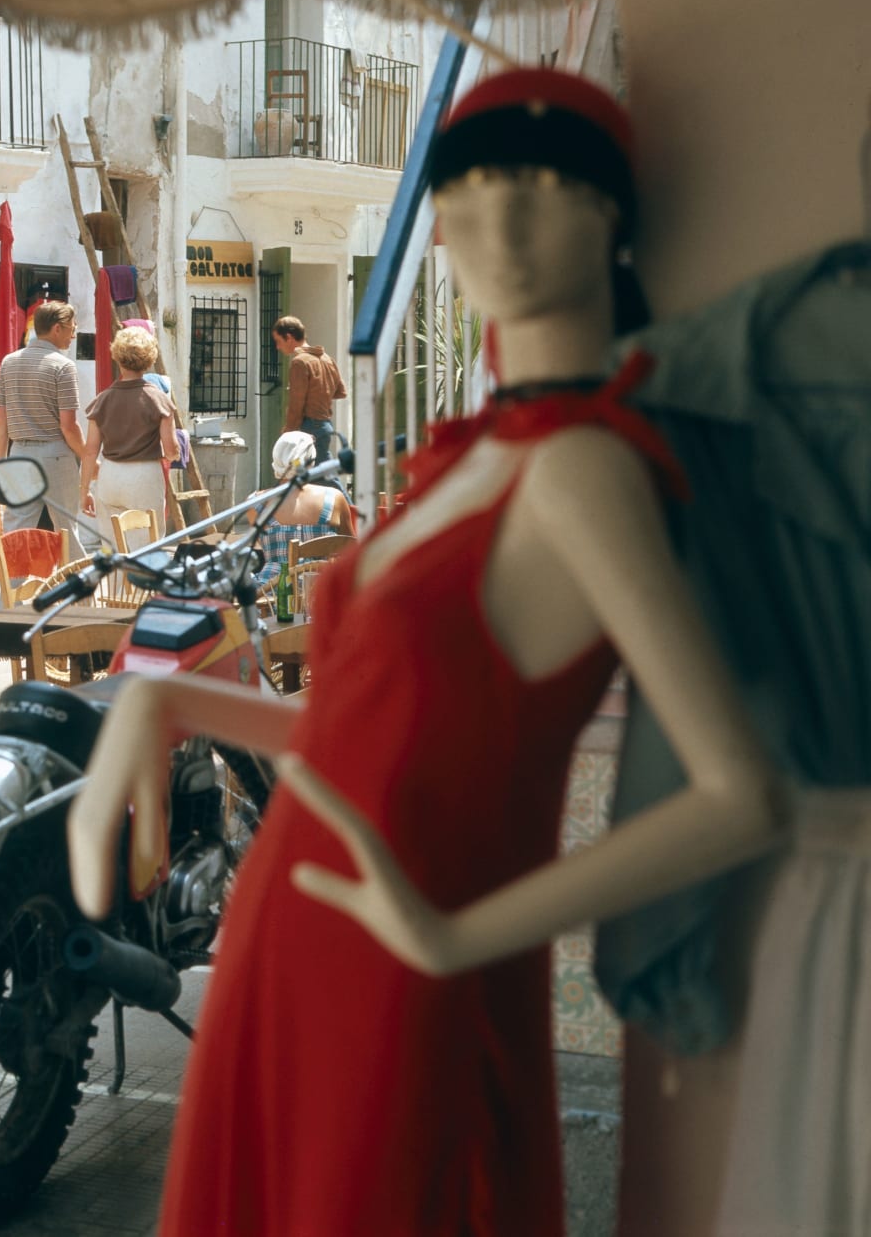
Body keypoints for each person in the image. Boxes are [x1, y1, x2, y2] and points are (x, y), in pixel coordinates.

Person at [67, 70, 784, 1237]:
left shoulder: (581, 467)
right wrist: (170, 706)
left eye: (539, 187)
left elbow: (739, 794)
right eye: (467, 190)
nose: (493, 222)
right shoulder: (472, 461)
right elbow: (373, 736)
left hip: (405, 969)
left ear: (610, 218)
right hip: (289, 939)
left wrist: (460, 936)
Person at [0, 300, 86, 547]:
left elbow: (0, 419)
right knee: (66, 528)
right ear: (57, 328)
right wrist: (87, 457)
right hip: (55, 453)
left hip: (19, 453)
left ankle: (10, 586)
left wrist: (2, 460)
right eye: (72, 328)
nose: (73, 335)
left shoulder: (8, 362)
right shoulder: (63, 366)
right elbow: (69, 426)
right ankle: (76, 584)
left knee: (16, 529)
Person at [78, 326, 180, 543]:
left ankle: (116, 579)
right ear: (149, 359)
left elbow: (90, 452)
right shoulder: (158, 399)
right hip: (144, 476)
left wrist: (85, 490)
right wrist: (174, 454)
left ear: (117, 357)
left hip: (110, 475)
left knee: (112, 546)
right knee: (146, 545)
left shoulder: (102, 400)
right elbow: (170, 449)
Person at [246, 430, 357, 582]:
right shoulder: (334, 498)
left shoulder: (255, 503)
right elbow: (350, 548)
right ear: (310, 462)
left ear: (276, 460)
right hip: (320, 591)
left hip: (272, 596)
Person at [273, 315, 346, 464]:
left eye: (278, 341)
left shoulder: (300, 362)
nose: (277, 347)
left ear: (289, 337)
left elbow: (296, 403)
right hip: (324, 423)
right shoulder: (326, 358)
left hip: (309, 426)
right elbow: (340, 391)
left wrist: (288, 431)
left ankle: (339, 489)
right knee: (311, 472)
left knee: (312, 473)